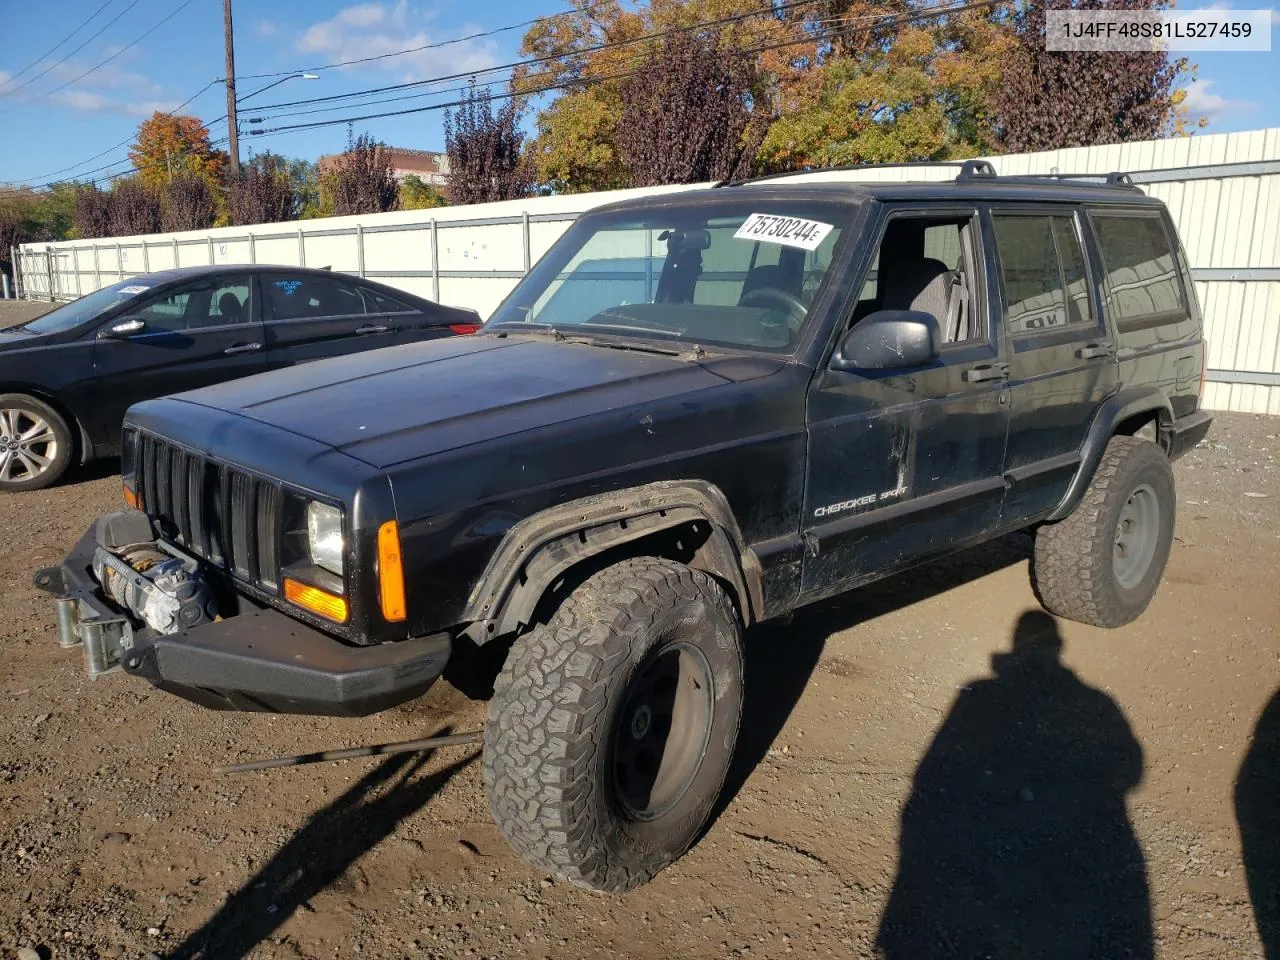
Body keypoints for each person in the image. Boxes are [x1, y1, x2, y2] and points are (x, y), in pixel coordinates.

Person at [877, 609, 1152, 959]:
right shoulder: (1096, 704)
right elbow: (1131, 770)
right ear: (1058, 647)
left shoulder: (978, 693)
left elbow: (936, 769)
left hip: (984, 855)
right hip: (1058, 864)